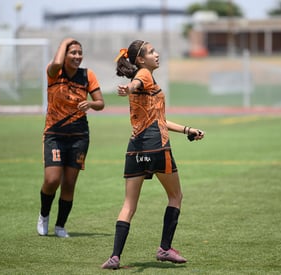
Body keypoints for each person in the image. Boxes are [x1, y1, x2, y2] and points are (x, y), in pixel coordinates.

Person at [101, 40, 205, 269]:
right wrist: (127, 88)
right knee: (176, 196)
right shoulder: (145, 74)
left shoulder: (143, 78)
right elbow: (137, 83)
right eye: (151, 51)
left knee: (128, 205)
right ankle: (165, 249)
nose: (156, 54)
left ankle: (115, 257)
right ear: (140, 59)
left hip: (135, 149)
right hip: (158, 148)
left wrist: (188, 130)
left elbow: (159, 120)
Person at [37, 38, 105, 238]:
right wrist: (65, 41)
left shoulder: (87, 75)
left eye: (79, 53)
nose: (77, 56)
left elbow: (101, 102)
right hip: (55, 134)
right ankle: (43, 215)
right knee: (52, 180)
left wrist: (90, 104)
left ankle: (60, 226)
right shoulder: (54, 72)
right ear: (64, 54)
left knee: (69, 183)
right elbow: (56, 63)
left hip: (79, 136)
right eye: (72, 52)